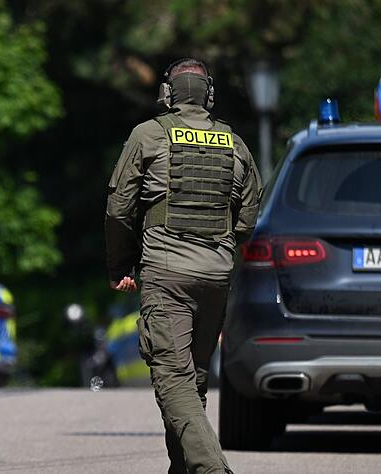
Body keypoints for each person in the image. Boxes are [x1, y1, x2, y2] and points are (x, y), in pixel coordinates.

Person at [105, 58, 262, 474]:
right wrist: (223, 249)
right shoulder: (235, 143)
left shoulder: (149, 135)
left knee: (173, 378)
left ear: (167, 93)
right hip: (216, 274)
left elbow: (119, 209)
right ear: (209, 93)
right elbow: (248, 216)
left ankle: (212, 469)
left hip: (166, 274)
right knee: (190, 382)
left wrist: (121, 264)